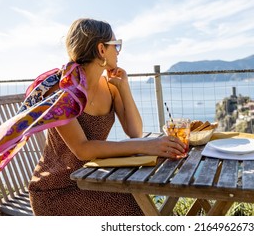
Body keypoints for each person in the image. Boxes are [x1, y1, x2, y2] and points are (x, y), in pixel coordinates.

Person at [25, 18, 186, 215]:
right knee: (136, 209)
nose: (118, 52)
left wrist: (123, 87)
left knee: (139, 203)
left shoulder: (110, 86)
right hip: (58, 189)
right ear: (101, 49)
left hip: (92, 177)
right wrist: (146, 145)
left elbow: (134, 131)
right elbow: (82, 150)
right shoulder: (62, 91)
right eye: (116, 46)